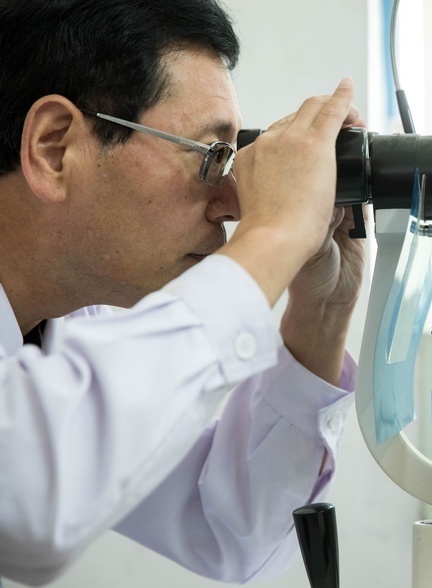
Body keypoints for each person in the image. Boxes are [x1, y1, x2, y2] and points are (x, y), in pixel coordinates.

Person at [0, 0, 365, 584]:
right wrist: (275, 233)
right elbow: (32, 492)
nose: (231, 204)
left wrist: (322, 309)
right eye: (210, 155)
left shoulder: (67, 320)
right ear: (55, 148)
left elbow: (230, 525)